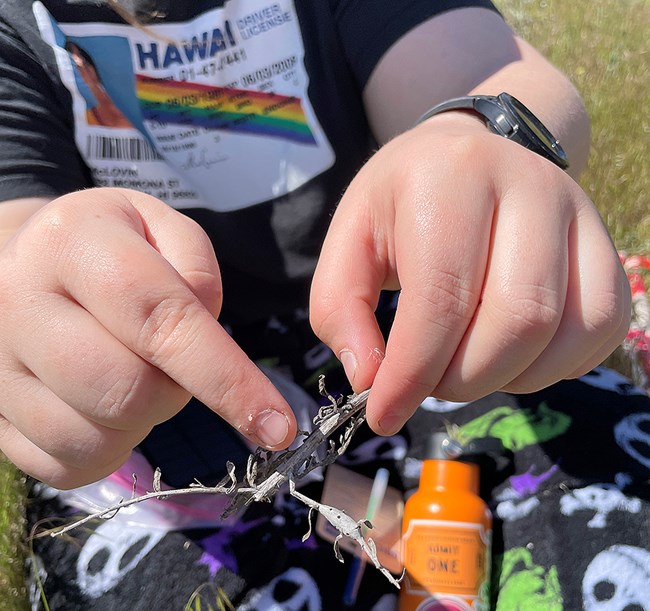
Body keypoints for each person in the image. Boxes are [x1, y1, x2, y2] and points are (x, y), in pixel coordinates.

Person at [1, 1, 647, 609]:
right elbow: (16, 243)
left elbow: (492, 67)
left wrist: (483, 136)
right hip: (153, 423)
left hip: (386, 329)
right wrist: (31, 319)